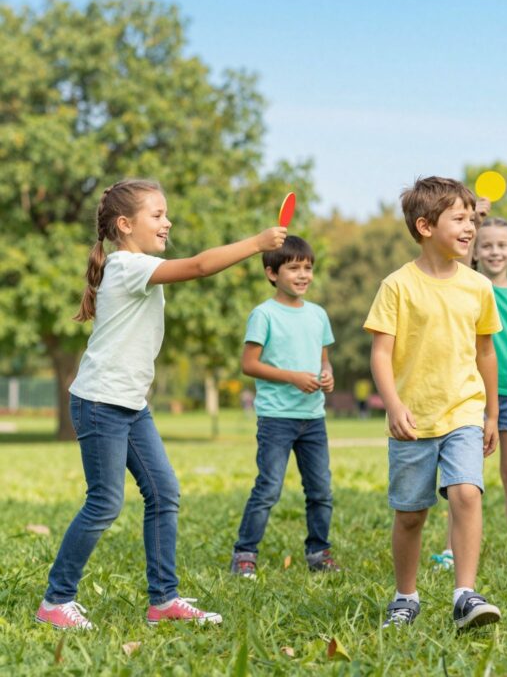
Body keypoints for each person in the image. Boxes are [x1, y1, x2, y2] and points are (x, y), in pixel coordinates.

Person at [36, 179, 286, 630]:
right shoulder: (127, 265)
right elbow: (198, 267)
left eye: (166, 214)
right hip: (100, 402)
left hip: (130, 404)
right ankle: (56, 600)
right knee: (105, 503)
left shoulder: (138, 265)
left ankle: (163, 600)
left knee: (163, 492)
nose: (167, 221)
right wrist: (256, 243)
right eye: (157, 215)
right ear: (125, 224)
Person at [364, 176, 503, 630]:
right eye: (458, 219)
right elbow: (381, 353)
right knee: (410, 515)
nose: (469, 228)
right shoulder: (397, 286)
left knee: (466, 492)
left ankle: (465, 594)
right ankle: (405, 596)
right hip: (413, 417)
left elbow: (486, 352)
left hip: (463, 408)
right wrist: (393, 404)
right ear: (425, 226)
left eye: (471, 219)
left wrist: (492, 413)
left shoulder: (478, 286)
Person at [431, 217, 507, 572]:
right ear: (474, 250)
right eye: (486, 245)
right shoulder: (465, 287)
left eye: (502, 245)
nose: (494, 251)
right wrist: (473, 214)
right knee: (463, 476)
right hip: (470, 394)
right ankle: (451, 550)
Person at [230, 236, 337, 579]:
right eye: (294, 268)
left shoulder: (318, 315)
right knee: (269, 488)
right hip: (277, 418)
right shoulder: (263, 314)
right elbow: (249, 364)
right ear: (272, 273)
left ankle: (319, 551)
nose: (303, 275)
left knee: (320, 490)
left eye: (308, 268)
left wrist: (327, 376)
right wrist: (291, 377)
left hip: (313, 418)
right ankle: (245, 553)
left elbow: (324, 360)